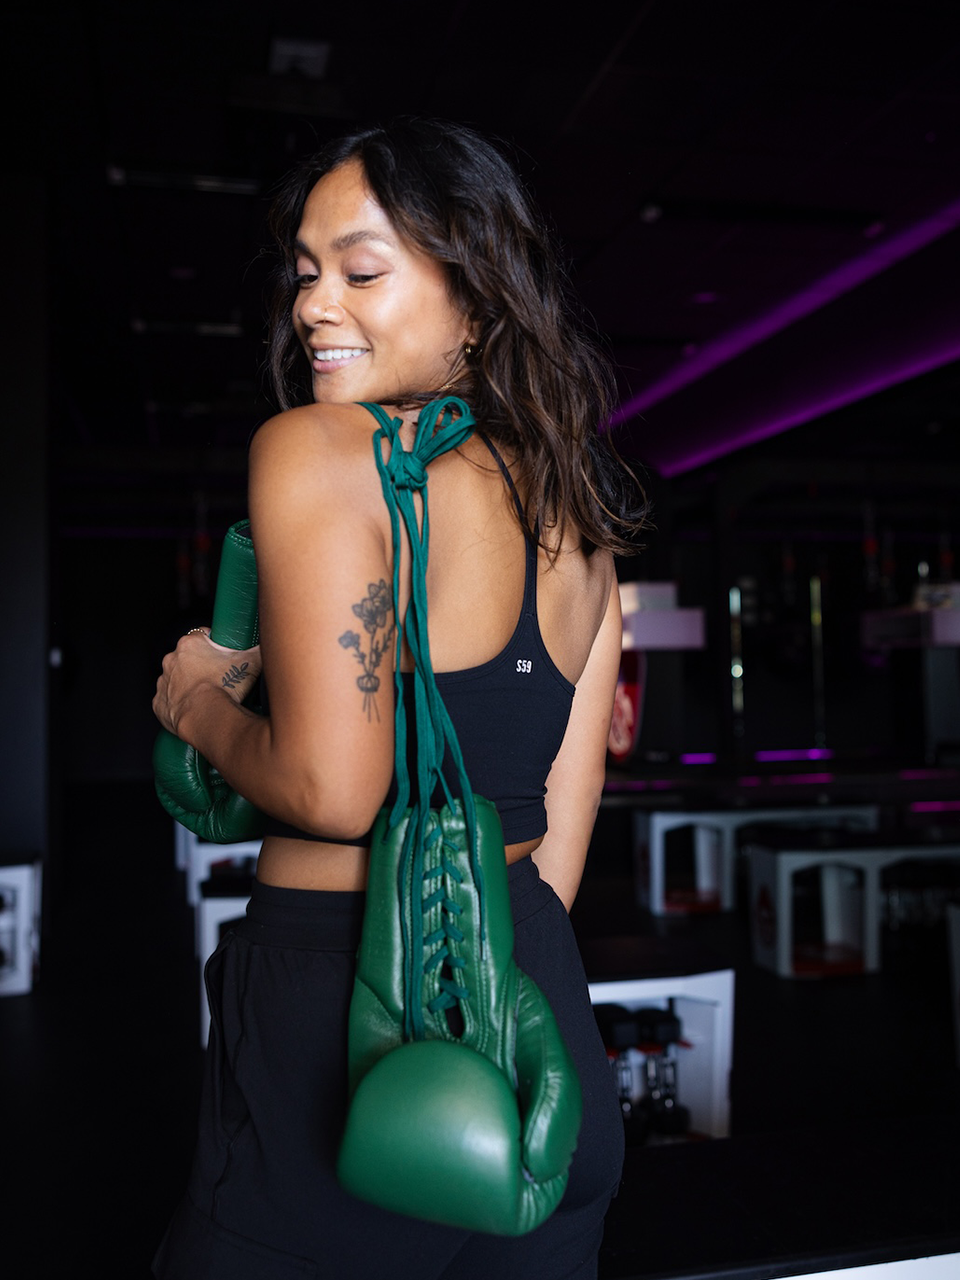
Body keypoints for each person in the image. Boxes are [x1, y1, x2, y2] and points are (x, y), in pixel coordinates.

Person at [151, 117, 646, 1279]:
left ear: (478, 294)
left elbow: (333, 788)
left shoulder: (320, 450)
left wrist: (199, 705)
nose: (315, 306)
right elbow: (563, 833)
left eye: (363, 270)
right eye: (307, 272)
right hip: (532, 1024)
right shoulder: (585, 522)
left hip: (338, 1019)